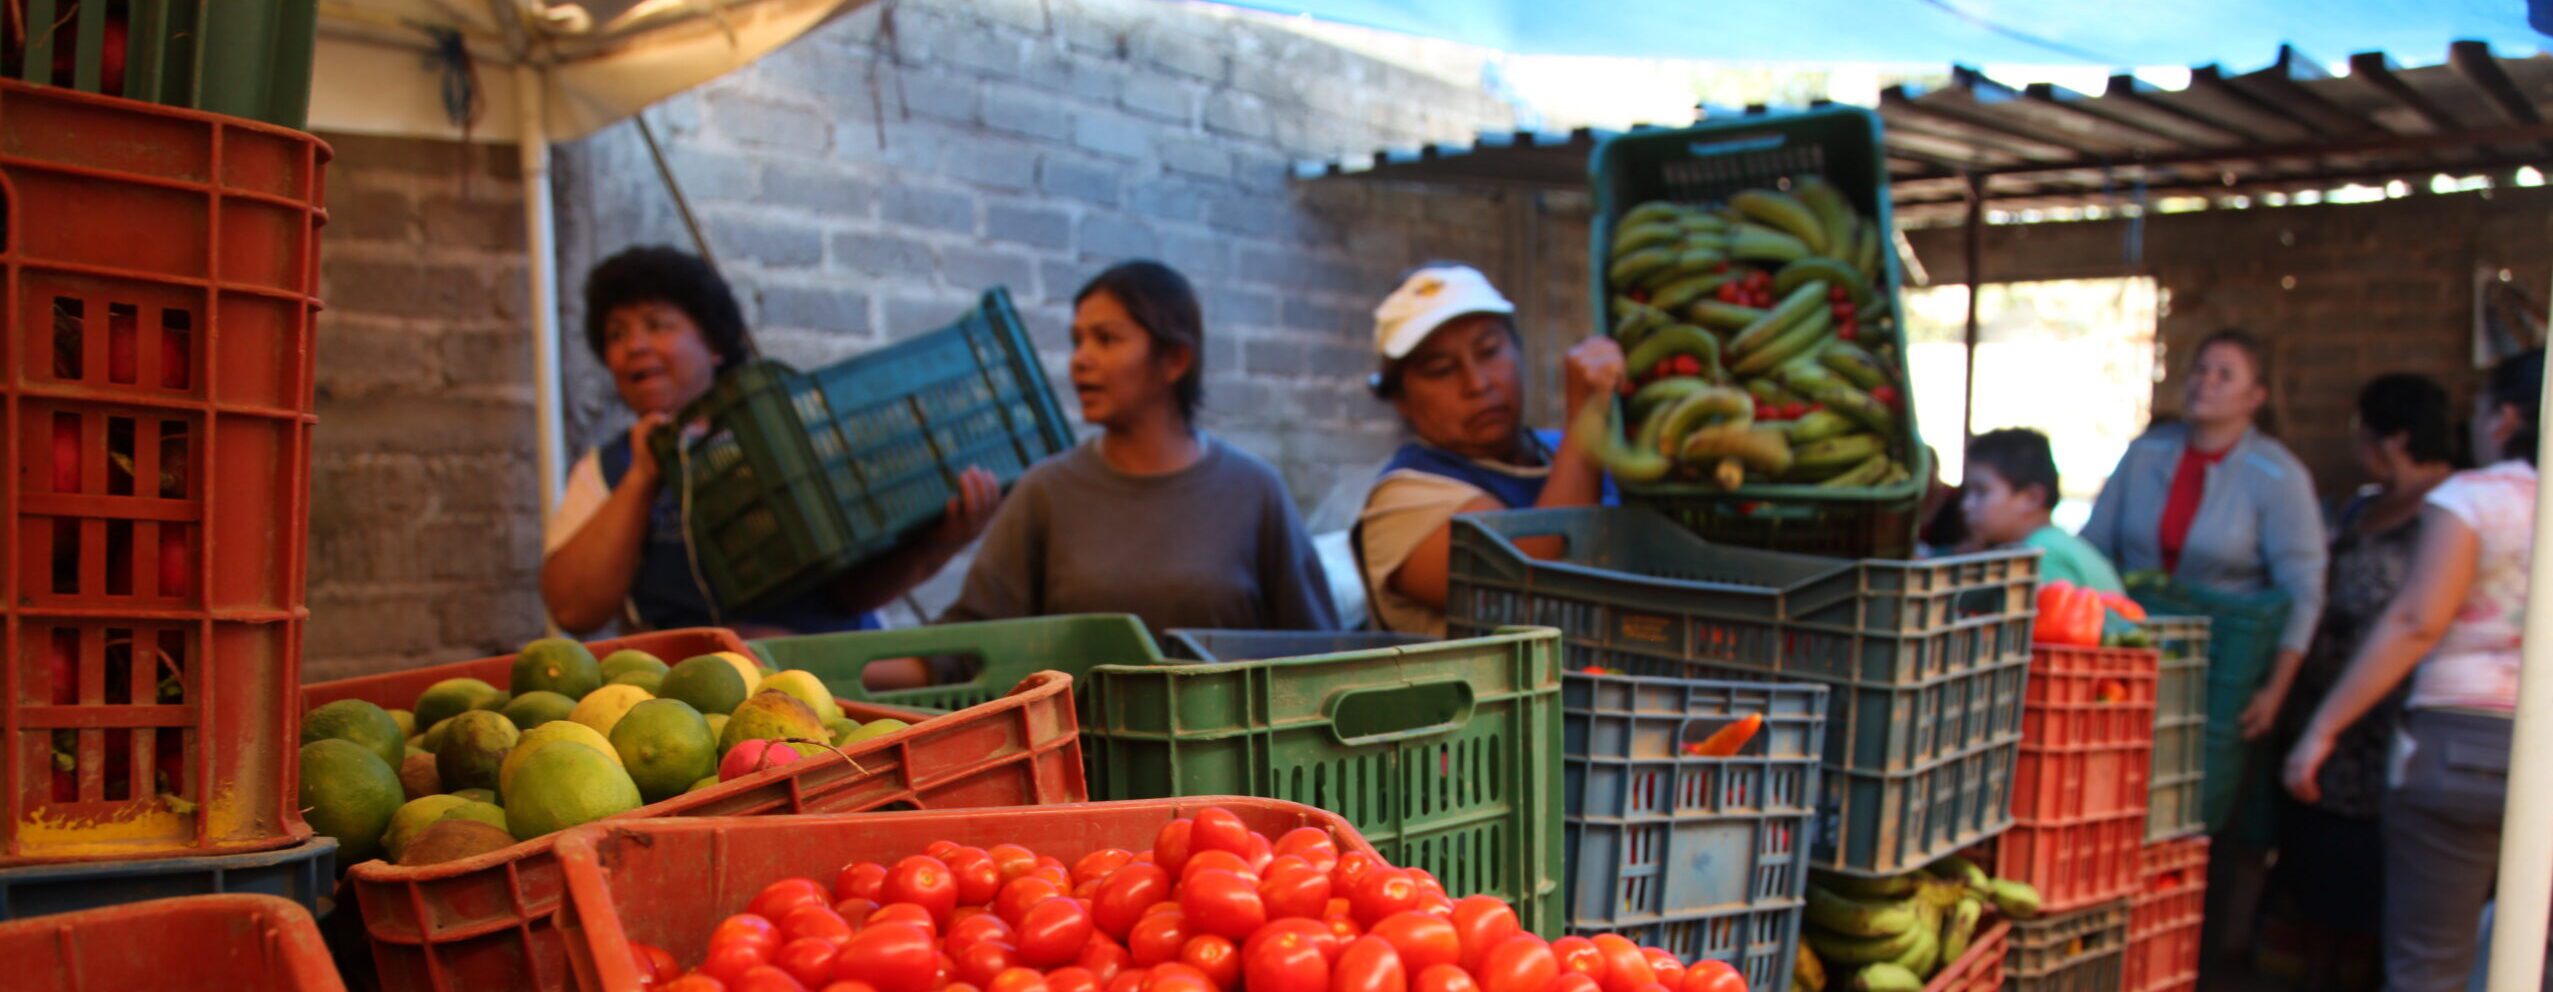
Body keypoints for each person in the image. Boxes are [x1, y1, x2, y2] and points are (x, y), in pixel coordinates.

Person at [540, 246, 999, 638]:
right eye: (617, 334)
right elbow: (574, 611)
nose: (634, 345)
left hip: (828, 683)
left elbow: (854, 591)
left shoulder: (802, 433)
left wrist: (937, 544)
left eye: (657, 324)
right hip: (692, 704)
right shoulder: (603, 471)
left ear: (715, 344)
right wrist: (642, 476)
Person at [2284, 350, 2543, 992]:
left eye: (2481, 410)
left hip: (2455, 746)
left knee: (2429, 964)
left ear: (2507, 418)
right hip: (2537, 751)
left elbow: (2416, 622)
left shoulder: (2475, 498)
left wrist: (2322, 729)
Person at [940, 260, 1338, 635]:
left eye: (1106, 339)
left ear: (1175, 360)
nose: (1081, 360)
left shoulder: (1255, 492)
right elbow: (964, 647)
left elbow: (1317, 651)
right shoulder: (1046, 491)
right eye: (1077, 341)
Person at [2261, 374, 2457, 990]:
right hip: (2328, 710)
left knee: (2381, 872)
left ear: (2393, 435)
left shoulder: (2454, 511)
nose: (2356, 440)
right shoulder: (2363, 506)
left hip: (2391, 717)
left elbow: (2421, 617)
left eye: (2362, 427)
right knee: (2317, 858)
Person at [1353, 263, 1625, 635]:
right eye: (1442, 369)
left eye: (1489, 350)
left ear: (1518, 349)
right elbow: (1534, 579)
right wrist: (1586, 417)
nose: (1477, 383)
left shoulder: (1557, 453)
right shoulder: (1402, 501)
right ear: (1401, 398)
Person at [2083, 328, 2327, 740]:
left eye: (2224, 375)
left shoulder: (2278, 475)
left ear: (2256, 396)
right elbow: (2093, 549)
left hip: (2225, 664)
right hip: (2132, 647)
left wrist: (2275, 690)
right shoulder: (2145, 455)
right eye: (2200, 370)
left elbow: (2303, 591)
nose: (2205, 381)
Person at [1961, 428, 2123, 592]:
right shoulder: (2052, 542)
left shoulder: (2040, 555)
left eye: (1981, 491)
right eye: (1968, 492)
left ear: (2032, 498)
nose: (1966, 505)